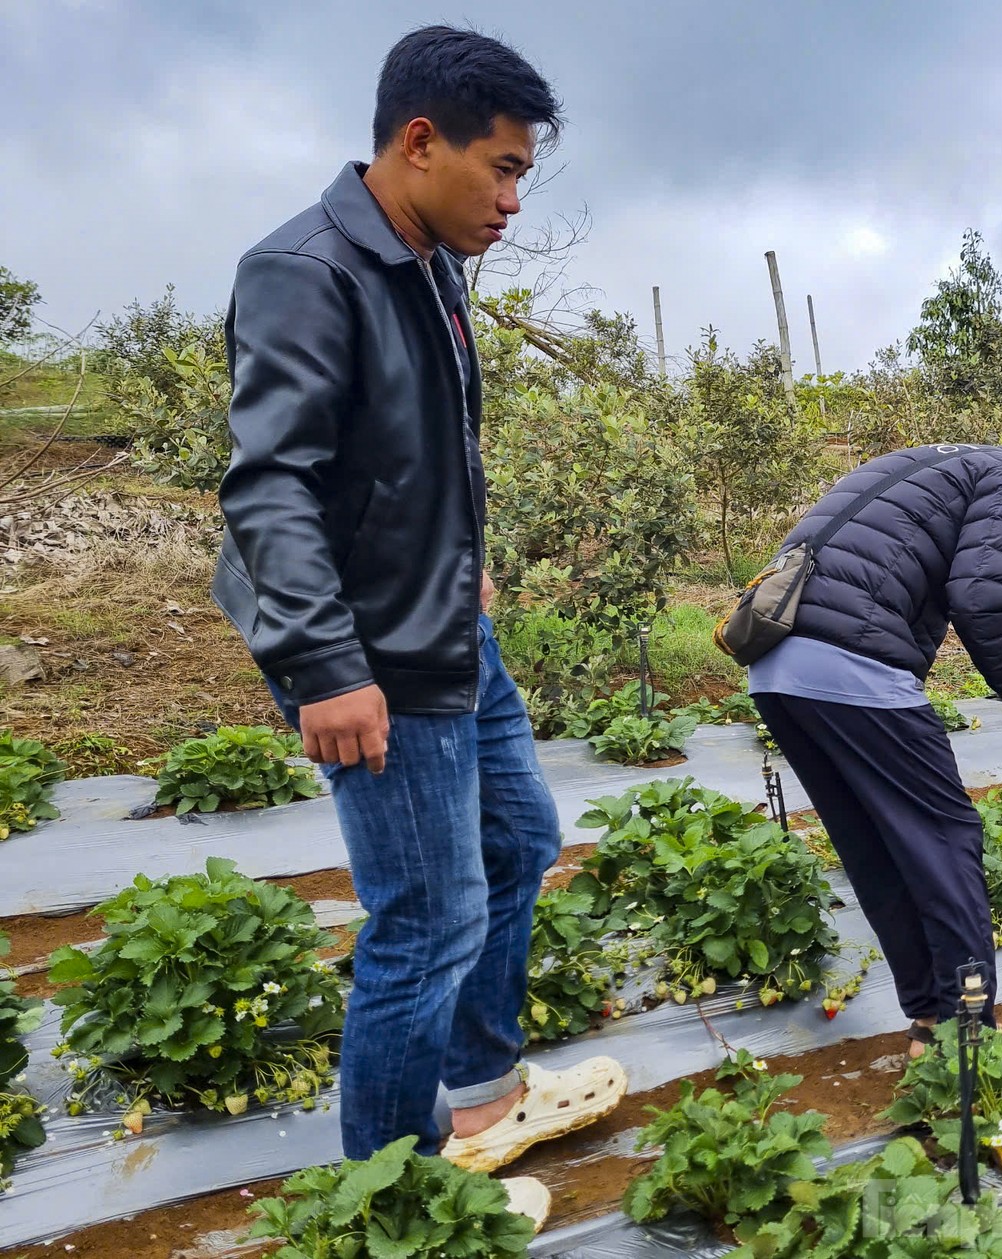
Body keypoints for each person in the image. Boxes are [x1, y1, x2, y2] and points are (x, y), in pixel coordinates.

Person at [210, 26, 620, 1228]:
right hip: (367, 647)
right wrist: (326, 666)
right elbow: (271, 482)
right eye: (498, 170)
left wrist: (466, 560)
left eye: (521, 177)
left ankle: (481, 1090)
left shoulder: (427, 256)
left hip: (444, 617)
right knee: (425, 915)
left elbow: (425, 449)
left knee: (517, 836)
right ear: (418, 140)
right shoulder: (306, 269)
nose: (508, 200)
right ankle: (387, 1197)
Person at [747, 433, 1002, 1057]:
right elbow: (983, 597)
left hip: (778, 666)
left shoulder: (935, 461)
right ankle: (968, 1034)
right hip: (851, 661)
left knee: (877, 846)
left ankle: (935, 1023)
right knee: (945, 838)